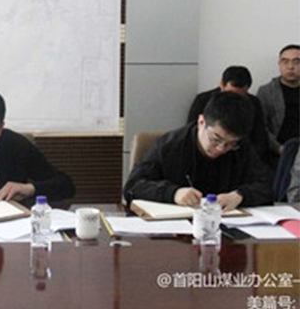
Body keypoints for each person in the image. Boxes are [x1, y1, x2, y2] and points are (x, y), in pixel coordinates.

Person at [124, 92, 272, 211]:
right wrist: (173, 193)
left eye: (230, 144)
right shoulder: (169, 146)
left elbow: (266, 185)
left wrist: (241, 196)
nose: (221, 148)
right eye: (216, 139)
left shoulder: (241, 147)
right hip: (176, 230)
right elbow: (133, 186)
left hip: (225, 227)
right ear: (201, 122)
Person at [187, 66, 269, 166]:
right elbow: (192, 131)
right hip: (206, 154)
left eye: (240, 96)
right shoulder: (203, 100)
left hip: (241, 155)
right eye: (230, 93)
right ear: (222, 84)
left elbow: (260, 137)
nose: (234, 99)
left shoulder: (253, 103)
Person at [257, 44, 300, 158]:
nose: (290, 67)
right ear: (279, 64)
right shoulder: (266, 91)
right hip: (276, 151)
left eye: (296, 62)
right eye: (285, 61)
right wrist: (279, 148)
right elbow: (260, 126)